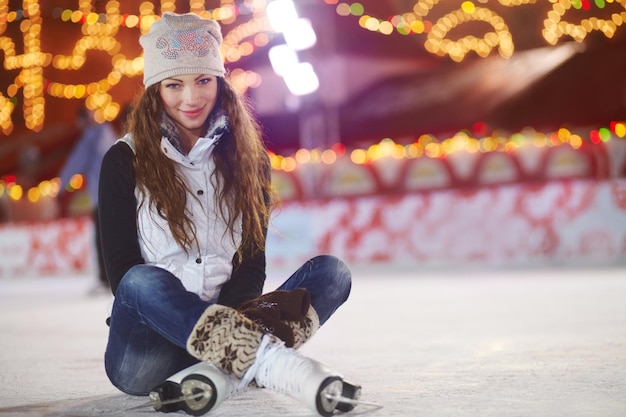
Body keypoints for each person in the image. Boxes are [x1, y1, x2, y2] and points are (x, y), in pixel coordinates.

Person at [98, 12, 359, 416]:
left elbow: (250, 266)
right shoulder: (124, 159)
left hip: (230, 321)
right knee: (138, 280)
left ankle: (220, 368)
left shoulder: (250, 160)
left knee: (332, 272)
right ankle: (271, 364)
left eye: (203, 80)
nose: (191, 98)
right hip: (149, 351)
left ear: (219, 82)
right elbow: (122, 275)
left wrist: (231, 321)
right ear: (154, 90)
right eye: (174, 85)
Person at [58, 106, 116, 294]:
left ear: (82, 121)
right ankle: (112, 279)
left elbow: (76, 162)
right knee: (113, 237)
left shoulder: (92, 137)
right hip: (115, 194)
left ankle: (106, 280)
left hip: (101, 196)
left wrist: (60, 186)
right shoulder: (107, 132)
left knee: (102, 239)